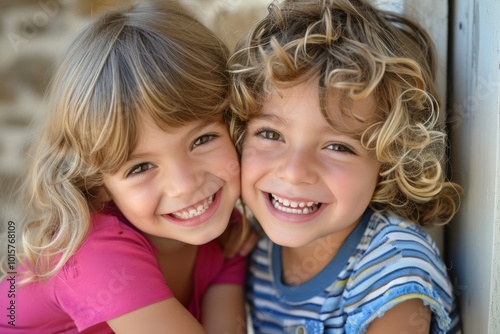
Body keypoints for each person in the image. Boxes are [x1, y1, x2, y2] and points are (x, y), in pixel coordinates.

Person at [0, 2, 250, 333]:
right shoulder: (96, 251)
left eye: (202, 140)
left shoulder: (229, 236)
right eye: (141, 167)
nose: (184, 184)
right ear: (97, 182)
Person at [229, 0, 462, 333]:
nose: (294, 171)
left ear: (388, 160)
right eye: (270, 134)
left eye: (338, 146)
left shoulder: (394, 264)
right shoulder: (255, 251)